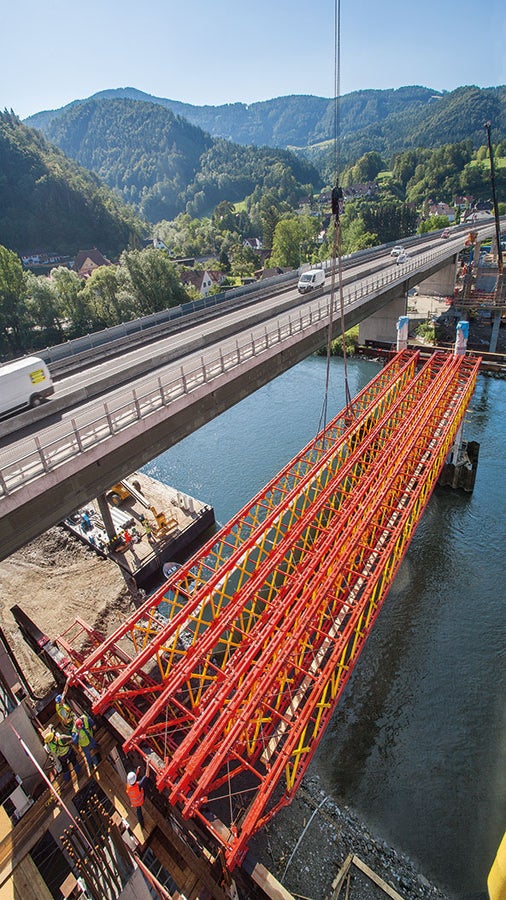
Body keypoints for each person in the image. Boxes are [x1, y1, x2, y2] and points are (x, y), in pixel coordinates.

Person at [125, 758, 150, 827]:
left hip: (134, 803)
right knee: (145, 783)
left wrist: (137, 772)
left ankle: (141, 824)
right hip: (141, 800)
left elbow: (132, 781)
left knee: (138, 812)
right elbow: (147, 775)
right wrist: (147, 763)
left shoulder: (128, 785)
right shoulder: (139, 785)